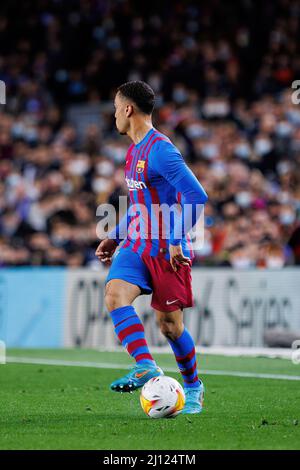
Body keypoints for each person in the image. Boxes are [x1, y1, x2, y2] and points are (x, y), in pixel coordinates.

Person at [95, 81, 208, 414]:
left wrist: (175, 238)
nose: (114, 114)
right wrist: (116, 234)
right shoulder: (133, 151)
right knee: (115, 295)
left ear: (128, 109)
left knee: (170, 327)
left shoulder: (161, 149)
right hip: (135, 244)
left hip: (165, 250)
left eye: (116, 107)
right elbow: (140, 204)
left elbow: (196, 196)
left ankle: (193, 387)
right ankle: (145, 365)